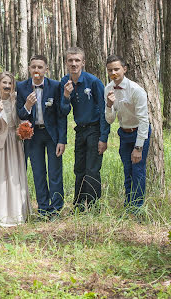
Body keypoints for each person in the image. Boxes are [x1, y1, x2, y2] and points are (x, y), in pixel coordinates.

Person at [60, 47, 110, 212]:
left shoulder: (94, 82)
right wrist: (66, 96)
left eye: (77, 60)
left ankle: (94, 207)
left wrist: (104, 137)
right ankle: (79, 205)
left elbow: (104, 111)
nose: (74, 64)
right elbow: (63, 111)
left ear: (83, 62)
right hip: (79, 130)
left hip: (94, 129)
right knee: (79, 168)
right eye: (70, 60)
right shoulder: (64, 82)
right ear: (66, 62)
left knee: (92, 169)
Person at [17, 55, 67, 218]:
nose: (36, 70)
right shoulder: (22, 87)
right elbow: (20, 114)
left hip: (51, 134)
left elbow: (61, 115)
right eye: (33, 67)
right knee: (38, 172)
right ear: (29, 69)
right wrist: (27, 106)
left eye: (40, 67)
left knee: (54, 172)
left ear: (46, 69)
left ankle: (56, 208)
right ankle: (43, 208)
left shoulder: (55, 86)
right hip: (33, 135)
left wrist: (62, 140)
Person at [104, 55, 150, 211]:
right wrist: (109, 105)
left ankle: (137, 208)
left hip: (139, 133)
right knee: (127, 169)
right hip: (124, 134)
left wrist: (138, 148)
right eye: (110, 70)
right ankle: (128, 204)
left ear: (124, 69)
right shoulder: (108, 89)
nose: (113, 72)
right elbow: (110, 120)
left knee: (138, 170)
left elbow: (144, 121)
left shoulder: (136, 90)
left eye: (116, 69)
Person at [0, 72, 30, 226]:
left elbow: (22, 117)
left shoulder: (16, 98)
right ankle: (0, 215)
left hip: (15, 140)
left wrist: (25, 128)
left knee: (15, 175)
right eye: (4, 83)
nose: (7, 86)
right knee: (0, 177)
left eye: (10, 83)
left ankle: (18, 213)